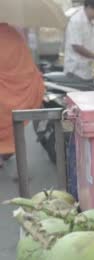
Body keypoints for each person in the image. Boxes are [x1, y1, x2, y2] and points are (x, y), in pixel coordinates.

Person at [0, 25, 45, 168]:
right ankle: (9, 151)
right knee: (14, 124)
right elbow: (27, 65)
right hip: (17, 92)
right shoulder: (14, 35)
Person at [63, 0, 94, 81]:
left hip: (87, 70)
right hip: (75, 71)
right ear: (88, 7)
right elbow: (77, 46)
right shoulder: (76, 21)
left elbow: (93, 40)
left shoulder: (92, 22)